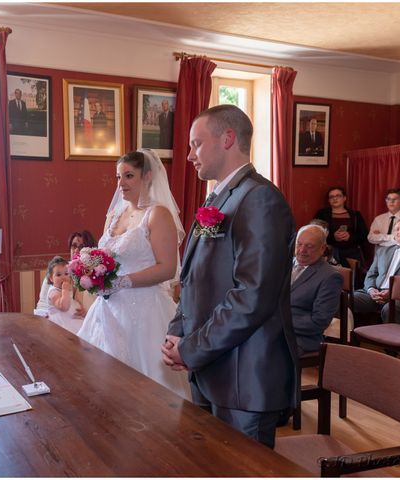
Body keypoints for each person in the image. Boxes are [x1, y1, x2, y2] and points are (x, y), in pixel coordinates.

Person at [162, 104, 297, 449]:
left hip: (243, 379)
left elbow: (252, 297)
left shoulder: (260, 199)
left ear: (227, 138)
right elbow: (195, 280)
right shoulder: (223, 197)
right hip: (213, 367)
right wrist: (178, 334)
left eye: (196, 144)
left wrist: (191, 349)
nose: (190, 155)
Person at [77, 149, 191, 400]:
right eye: (118, 177)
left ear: (148, 176)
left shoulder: (158, 214)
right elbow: (106, 257)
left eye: (128, 176)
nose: (121, 184)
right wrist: (90, 267)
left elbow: (167, 267)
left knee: (146, 391)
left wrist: (123, 282)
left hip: (145, 310)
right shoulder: (115, 215)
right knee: (102, 383)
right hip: (108, 309)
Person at [291, 224, 343, 355]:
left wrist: (278, 322)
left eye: (309, 246)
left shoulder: (330, 277)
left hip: (300, 337)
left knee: (260, 354)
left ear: (322, 249)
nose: (302, 250)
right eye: (299, 244)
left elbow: (318, 321)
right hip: (269, 331)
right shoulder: (282, 264)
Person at [353, 219, 400, 324]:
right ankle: (346, 336)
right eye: (397, 229)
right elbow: (371, 274)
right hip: (374, 294)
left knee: (390, 309)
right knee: (347, 299)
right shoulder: (382, 251)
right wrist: (371, 289)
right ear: (394, 234)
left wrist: (392, 292)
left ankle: (391, 340)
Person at [34, 230, 96, 317]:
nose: (76, 250)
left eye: (82, 247)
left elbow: (97, 308)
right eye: (73, 246)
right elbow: (42, 305)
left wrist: (88, 313)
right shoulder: (57, 272)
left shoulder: (95, 276)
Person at [313, 186, 368, 267]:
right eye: (331, 197)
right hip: (330, 252)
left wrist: (350, 237)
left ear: (344, 198)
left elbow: (364, 234)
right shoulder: (322, 214)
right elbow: (315, 233)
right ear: (328, 200)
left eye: (338, 196)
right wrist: (333, 237)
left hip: (352, 252)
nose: (335, 199)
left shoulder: (355, 215)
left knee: (354, 277)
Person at [46, 256, 85, 334]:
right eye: (58, 275)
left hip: (74, 319)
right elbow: (64, 307)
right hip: (62, 324)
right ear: (51, 278)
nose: (63, 277)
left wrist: (80, 308)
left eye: (66, 274)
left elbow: (73, 300)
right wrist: (65, 290)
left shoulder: (69, 288)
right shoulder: (53, 292)